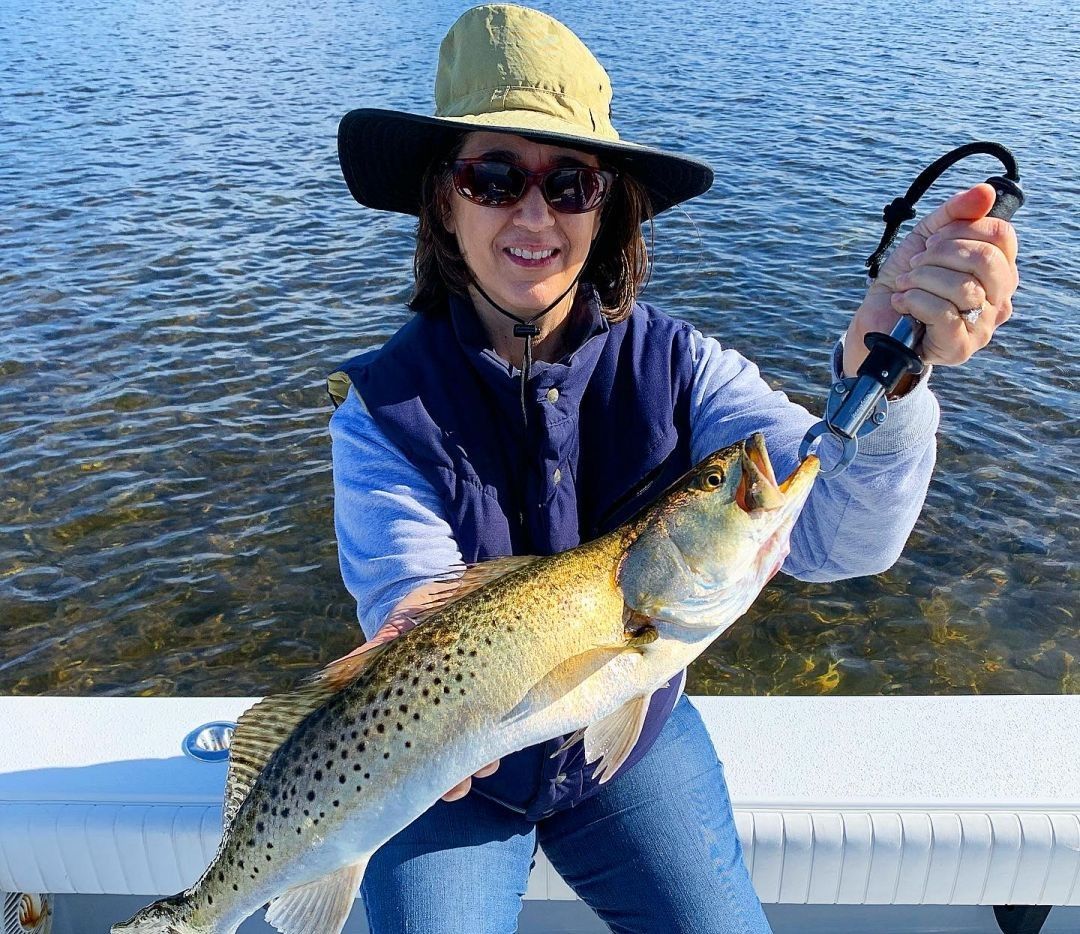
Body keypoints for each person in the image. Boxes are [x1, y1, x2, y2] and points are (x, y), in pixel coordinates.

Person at [327, 6, 1020, 933]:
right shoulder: (380, 412)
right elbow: (411, 601)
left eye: (570, 182)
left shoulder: (688, 370)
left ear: (607, 205)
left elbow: (843, 537)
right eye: (492, 176)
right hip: (452, 780)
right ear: (443, 204)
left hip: (633, 736)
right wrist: (435, 718)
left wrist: (882, 380)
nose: (533, 214)